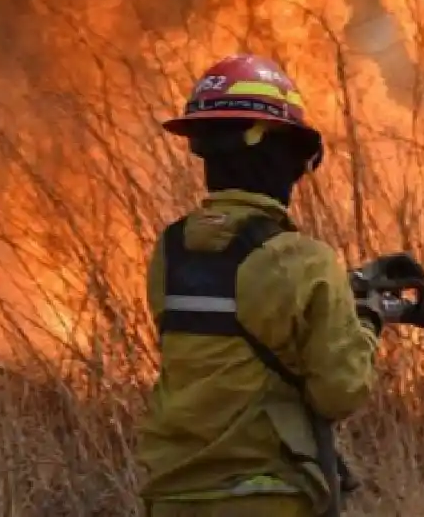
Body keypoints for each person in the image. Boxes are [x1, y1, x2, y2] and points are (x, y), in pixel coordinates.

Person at [137, 54, 405, 517]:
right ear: (279, 155)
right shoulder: (303, 261)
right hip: (262, 495)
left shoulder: (171, 250)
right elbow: (339, 390)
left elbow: (235, 327)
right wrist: (366, 319)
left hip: (173, 493)